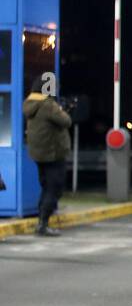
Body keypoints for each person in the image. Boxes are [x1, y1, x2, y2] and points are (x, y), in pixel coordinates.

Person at [22, 77, 72, 236]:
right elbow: (66, 121)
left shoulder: (30, 103)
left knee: (46, 186)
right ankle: (43, 224)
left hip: (39, 154)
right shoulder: (48, 105)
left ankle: (41, 221)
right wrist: (62, 109)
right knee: (54, 188)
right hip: (53, 154)